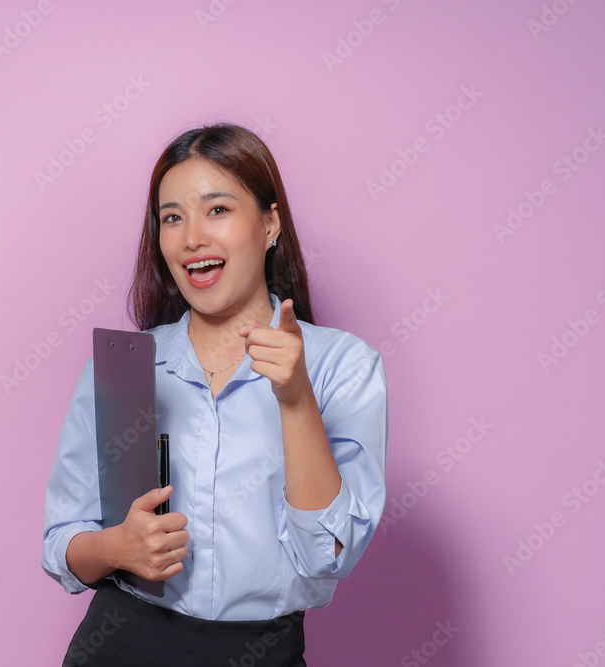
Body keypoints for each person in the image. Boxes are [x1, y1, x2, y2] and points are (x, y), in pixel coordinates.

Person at [42, 123, 388, 666]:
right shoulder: (126, 365)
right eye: (172, 217)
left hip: (262, 650)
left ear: (270, 223)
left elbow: (327, 556)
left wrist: (295, 401)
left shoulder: (342, 365)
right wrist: (117, 548)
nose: (191, 237)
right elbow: (62, 539)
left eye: (217, 210)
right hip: (123, 642)